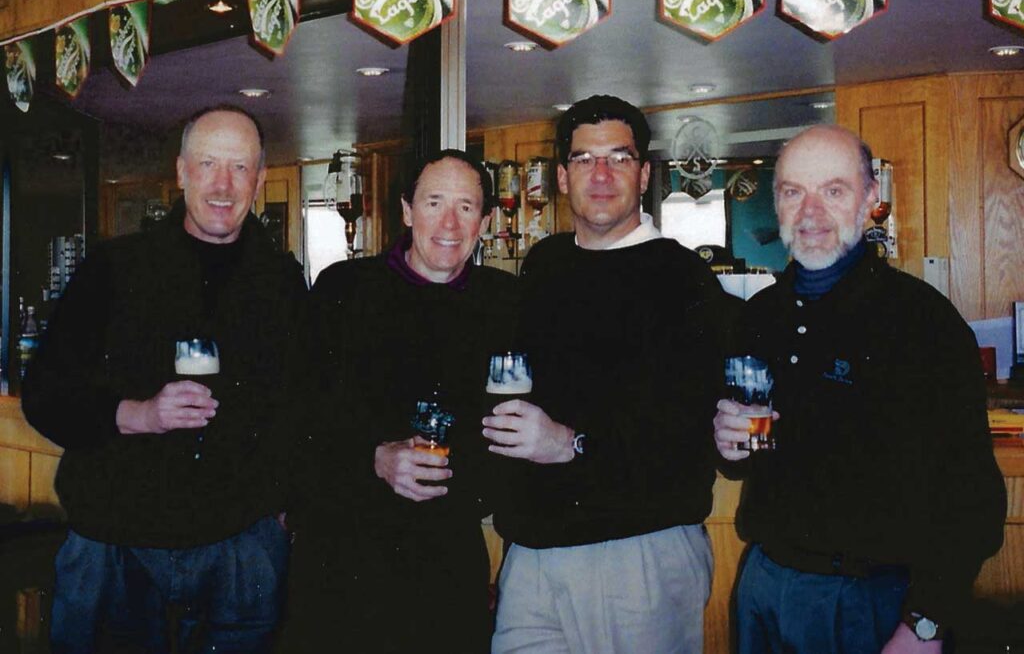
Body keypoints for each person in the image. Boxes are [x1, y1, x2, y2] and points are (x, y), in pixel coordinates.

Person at [22, 105, 308, 653]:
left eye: (239, 168)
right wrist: (138, 414)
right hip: (116, 541)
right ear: (180, 172)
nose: (223, 185)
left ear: (260, 179)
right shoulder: (112, 269)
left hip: (241, 545)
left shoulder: (282, 282)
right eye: (207, 164)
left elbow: (303, 407)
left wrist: (279, 510)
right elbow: (44, 394)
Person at [713, 124, 1007, 654]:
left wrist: (926, 622)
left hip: (871, 600)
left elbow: (973, 497)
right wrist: (729, 445)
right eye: (792, 192)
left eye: (833, 190)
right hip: (762, 582)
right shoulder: (758, 317)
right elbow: (749, 458)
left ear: (871, 198)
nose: (810, 212)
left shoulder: (922, 321)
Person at [484, 95, 726, 653]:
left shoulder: (682, 279)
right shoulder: (544, 266)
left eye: (618, 158)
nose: (601, 175)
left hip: (637, 553)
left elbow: (687, 432)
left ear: (643, 175)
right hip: (532, 557)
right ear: (562, 176)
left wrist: (572, 444)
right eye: (585, 159)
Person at [285, 150, 516, 653]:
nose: (449, 223)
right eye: (434, 203)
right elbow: (297, 423)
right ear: (407, 210)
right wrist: (373, 458)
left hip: (446, 563)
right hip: (342, 557)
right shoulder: (343, 292)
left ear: (487, 219)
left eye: (466, 206)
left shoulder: (505, 304)